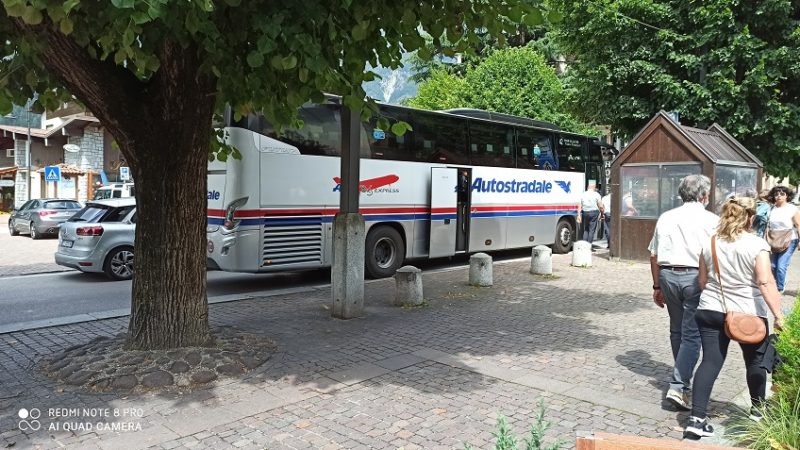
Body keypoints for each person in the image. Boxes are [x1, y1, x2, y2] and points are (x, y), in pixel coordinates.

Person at [684, 196, 786, 438]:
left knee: (710, 362)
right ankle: (758, 412)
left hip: (710, 309)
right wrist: (778, 315)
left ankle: (695, 420)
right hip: (748, 313)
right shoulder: (756, 244)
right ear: (750, 217)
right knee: (754, 362)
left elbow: (701, 280)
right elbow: (764, 281)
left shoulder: (710, 242)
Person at [648, 174, 719, 411]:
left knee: (677, 330)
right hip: (694, 277)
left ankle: (682, 381)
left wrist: (657, 285)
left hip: (668, 275)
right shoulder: (711, 219)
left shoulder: (666, 217)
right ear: (704, 195)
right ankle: (678, 387)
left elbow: (654, 254)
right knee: (691, 335)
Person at [765, 186, 800, 294]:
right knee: (773, 265)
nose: (779, 196)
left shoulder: (792, 209)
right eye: (776, 194)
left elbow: (798, 225)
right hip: (774, 239)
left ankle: (779, 288)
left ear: (787, 196)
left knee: (781, 265)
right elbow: (768, 225)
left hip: (789, 238)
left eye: (782, 194)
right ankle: (780, 281)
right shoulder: (771, 208)